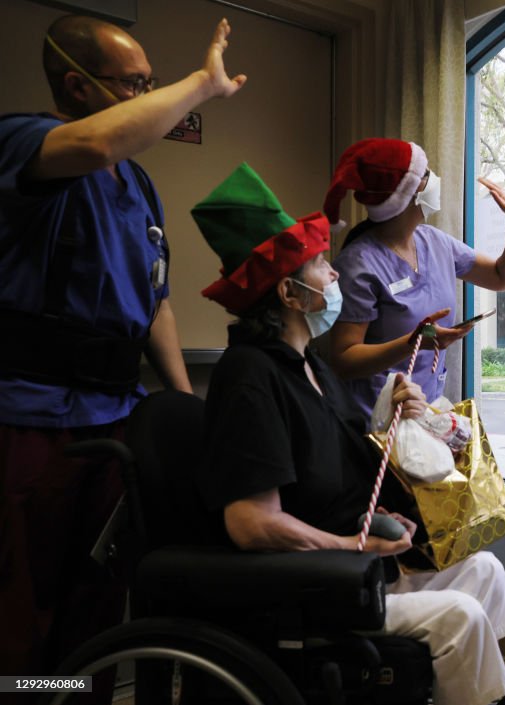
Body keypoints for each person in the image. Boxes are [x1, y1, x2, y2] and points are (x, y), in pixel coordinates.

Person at [194, 164, 505, 705]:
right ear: (290, 294)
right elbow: (251, 522)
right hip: (312, 585)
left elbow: (347, 455)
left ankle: (479, 687)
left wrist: (402, 415)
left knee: (483, 569)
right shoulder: (250, 375)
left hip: (357, 568)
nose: (336, 275)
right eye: (322, 266)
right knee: (459, 616)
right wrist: (350, 544)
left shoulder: (310, 370)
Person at [0, 14, 245, 677]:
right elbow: (98, 145)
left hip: (114, 418)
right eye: (133, 82)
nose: (146, 94)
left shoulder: (137, 187)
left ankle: (79, 694)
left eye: (151, 82)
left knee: (98, 600)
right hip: (31, 417)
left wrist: (183, 406)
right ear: (78, 86)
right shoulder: (25, 139)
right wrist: (200, 83)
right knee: (23, 610)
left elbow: (155, 299)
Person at [322, 138, 505, 421]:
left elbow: (503, 278)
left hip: (424, 413)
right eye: (426, 174)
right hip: (376, 424)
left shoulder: (435, 242)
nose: (435, 180)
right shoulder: (359, 264)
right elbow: (344, 359)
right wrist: (414, 342)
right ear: (409, 193)